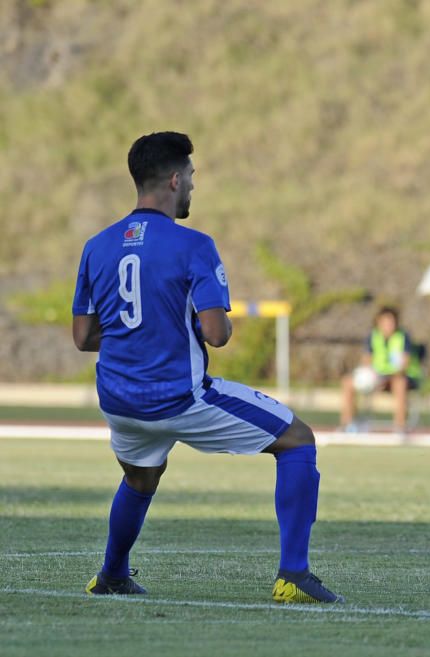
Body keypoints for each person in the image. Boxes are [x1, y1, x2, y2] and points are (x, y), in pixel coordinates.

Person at [71, 131, 342, 604]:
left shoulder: (97, 245)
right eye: (192, 177)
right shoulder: (193, 245)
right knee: (298, 440)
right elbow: (217, 332)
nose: (194, 186)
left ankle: (112, 574)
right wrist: (186, 327)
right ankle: (293, 576)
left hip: (118, 400)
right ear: (175, 179)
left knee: (140, 477)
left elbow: (82, 337)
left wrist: (141, 333)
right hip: (179, 397)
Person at [340, 306, 423, 433]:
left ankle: (399, 427)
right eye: (385, 322)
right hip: (377, 377)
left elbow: (404, 364)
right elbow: (366, 360)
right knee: (348, 382)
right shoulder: (372, 336)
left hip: (399, 377)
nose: (388, 325)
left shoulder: (403, 336)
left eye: (391, 322)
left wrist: (387, 378)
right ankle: (348, 425)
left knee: (399, 382)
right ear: (378, 322)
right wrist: (370, 375)